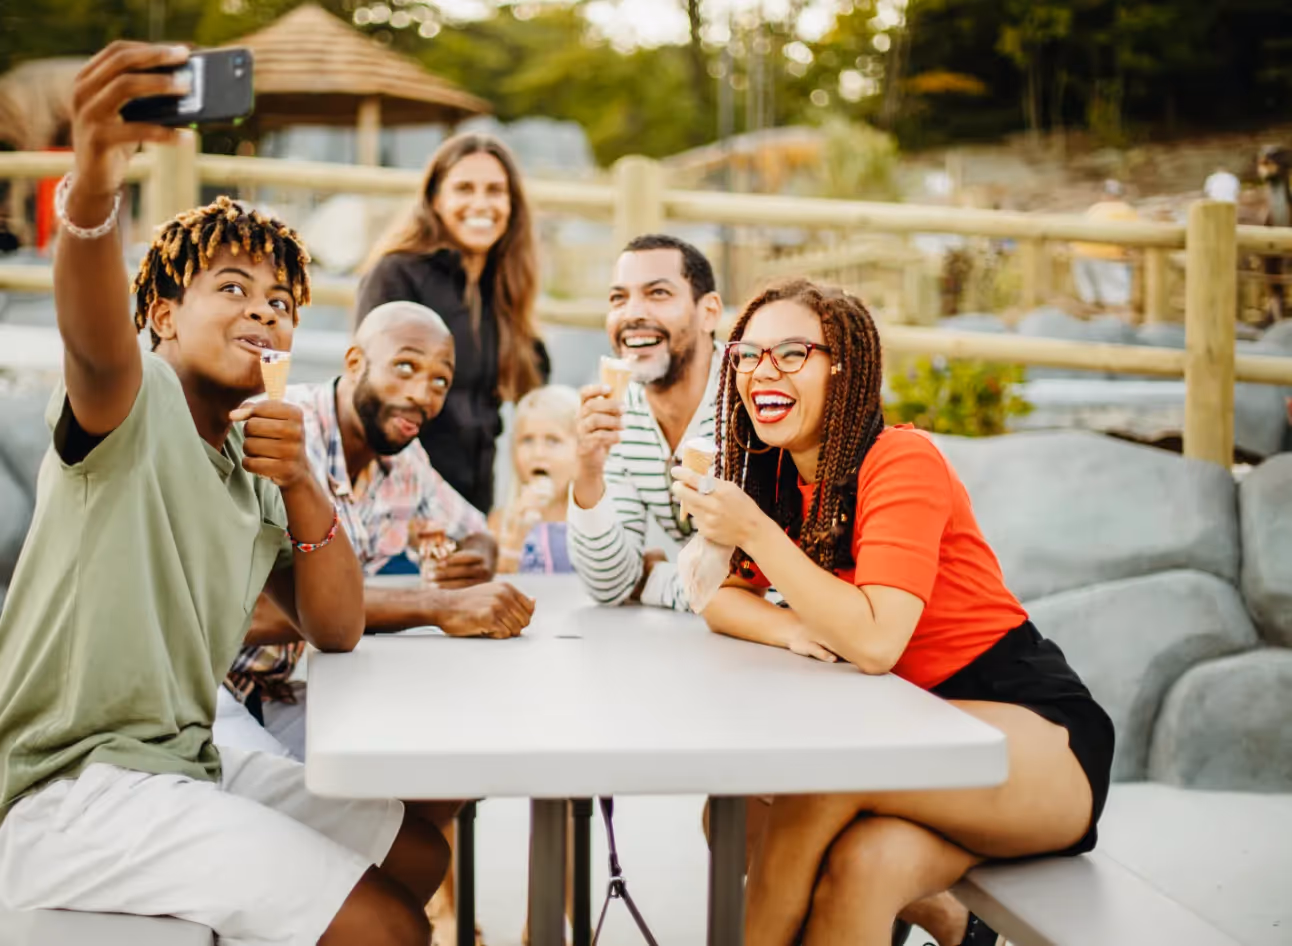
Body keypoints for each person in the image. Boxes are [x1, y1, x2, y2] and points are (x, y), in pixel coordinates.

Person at [0, 43, 449, 946]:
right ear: (163, 315)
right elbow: (90, 332)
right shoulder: (133, 399)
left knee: (417, 853)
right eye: (232, 288)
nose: (263, 311)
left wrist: (305, 487)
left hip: (184, 759)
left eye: (282, 302)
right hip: (67, 789)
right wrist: (92, 180)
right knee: (388, 926)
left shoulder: (261, 450)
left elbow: (333, 627)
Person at [672, 279, 1114, 946]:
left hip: (1033, 740)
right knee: (849, 860)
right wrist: (794, 627)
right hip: (910, 731)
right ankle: (959, 925)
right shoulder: (780, 476)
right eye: (748, 354)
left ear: (844, 368)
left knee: (822, 780)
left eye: (792, 353)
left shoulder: (901, 461)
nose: (764, 370)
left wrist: (758, 533)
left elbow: (877, 641)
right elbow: (717, 599)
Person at [357, 132, 549, 513]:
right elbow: (371, 398)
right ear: (435, 199)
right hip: (402, 507)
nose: (481, 203)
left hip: (474, 508)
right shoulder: (397, 275)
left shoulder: (504, 285)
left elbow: (534, 383)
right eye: (464, 188)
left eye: (495, 190)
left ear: (511, 204)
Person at [568, 234, 724, 610]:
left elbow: (759, 588)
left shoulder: (750, 401)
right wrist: (589, 470)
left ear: (709, 312)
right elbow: (610, 586)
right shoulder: (623, 413)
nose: (632, 313)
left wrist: (654, 580)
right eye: (618, 298)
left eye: (657, 293)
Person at [489, 384, 580, 574]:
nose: (538, 453)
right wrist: (515, 536)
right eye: (527, 440)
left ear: (581, 450)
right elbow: (493, 588)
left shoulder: (594, 522)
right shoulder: (500, 522)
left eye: (553, 440)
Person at [1070, 180, 1137, 310]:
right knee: (1116, 296)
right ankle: (1115, 314)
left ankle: (1093, 310)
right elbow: (1134, 236)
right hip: (1108, 256)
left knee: (1091, 294)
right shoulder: (1126, 209)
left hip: (1081, 253)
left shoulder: (1095, 208)